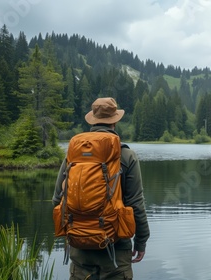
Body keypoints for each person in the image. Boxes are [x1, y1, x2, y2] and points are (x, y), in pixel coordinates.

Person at [52, 97, 150, 280]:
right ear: (115, 121)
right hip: (115, 249)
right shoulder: (126, 155)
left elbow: (57, 199)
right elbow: (136, 204)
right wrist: (141, 241)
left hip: (79, 248)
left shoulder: (73, 155)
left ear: (93, 120)